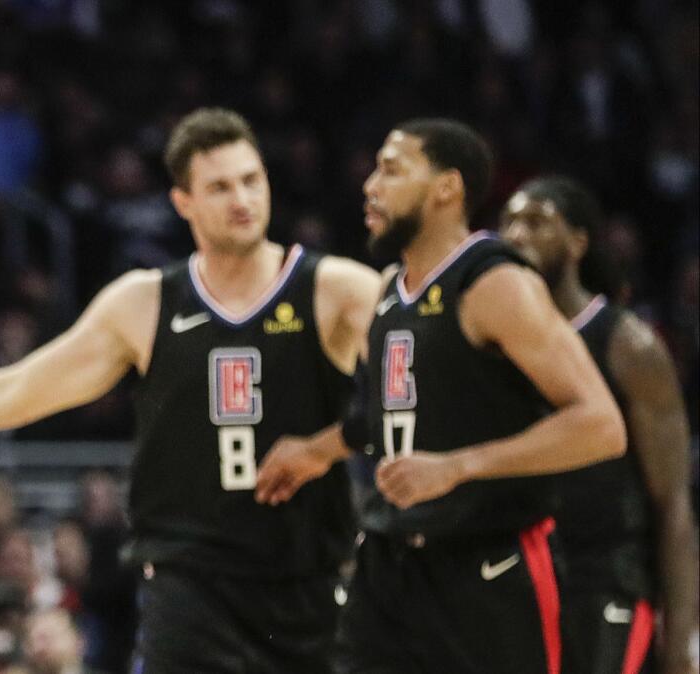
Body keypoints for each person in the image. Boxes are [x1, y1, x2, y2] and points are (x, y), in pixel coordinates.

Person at [0, 107, 381, 673]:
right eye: (220, 187)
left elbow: (425, 382)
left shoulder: (334, 289)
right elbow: (10, 391)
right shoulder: (145, 303)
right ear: (184, 203)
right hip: (191, 591)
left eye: (252, 181)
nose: (242, 199)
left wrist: (326, 447)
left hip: (309, 582)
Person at [255, 119, 626, 674]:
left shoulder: (495, 282)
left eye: (392, 169)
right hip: (389, 565)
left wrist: (458, 466)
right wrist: (315, 451)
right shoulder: (388, 292)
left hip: (487, 564)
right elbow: (380, 417)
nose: (370, 185)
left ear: (446, 188)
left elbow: (600, 425)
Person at [500, 176, 699, 674]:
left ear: (579, 242)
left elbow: (673, 503)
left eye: (537, 222)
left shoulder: (630, 345)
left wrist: (680, 643)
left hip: (605, 582)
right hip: (519, 581)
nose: (517, 234)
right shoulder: (498, 343)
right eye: (508, 223)